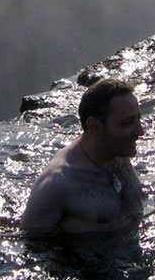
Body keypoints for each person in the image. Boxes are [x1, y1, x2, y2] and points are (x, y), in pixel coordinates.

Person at [21, 79, 146, 238]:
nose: (140, 131)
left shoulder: (117, 152)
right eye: (128, 123)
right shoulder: (56, 185)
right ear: (95, 127)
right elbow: (30, 247)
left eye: (138, 119)